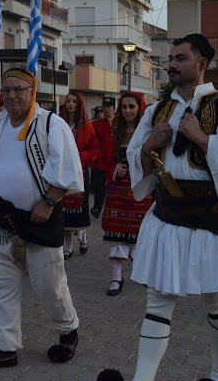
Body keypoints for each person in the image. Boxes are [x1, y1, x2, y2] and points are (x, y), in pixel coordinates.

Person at [98, 34, 218, 381]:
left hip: (208, 217)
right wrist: (148, 147)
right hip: (167, 217)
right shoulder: (158, 110)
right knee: (157, 301)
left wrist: (203, 138)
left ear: (201, 64)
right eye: (170, 58)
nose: (171, 64)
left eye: (180, 58)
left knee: (217, 301)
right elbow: (136, 157)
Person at [0, 67, 83, 372]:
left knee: (49, 285)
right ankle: (5, 348)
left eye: (19, 89)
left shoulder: (50, 124)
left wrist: (47, 202)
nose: (13, 95)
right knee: (3, 286)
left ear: (33, 92)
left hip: (39, 217)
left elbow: (67, 170)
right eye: (7, 90)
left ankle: (68, 330)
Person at [101, 92, 152, 296]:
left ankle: (143, 274)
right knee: (116, 231)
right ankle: (116, 277)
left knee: (142, 232)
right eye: (124, 107)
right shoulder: (114, 130)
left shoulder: (147, 131)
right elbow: (104, 157)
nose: (128, 111)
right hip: (117, 189)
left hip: (140, 188)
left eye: (132, 106)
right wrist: (114, 169)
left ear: (140, 108)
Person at [59, 91, 98, 259]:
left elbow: (93, 150)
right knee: (64, 211)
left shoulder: (86, 126)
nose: (70, 104)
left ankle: (83, 236)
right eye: (68, 101)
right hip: (62, 171)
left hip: (80, 171)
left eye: (74, 101)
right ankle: (68, 247)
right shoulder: (59, 123)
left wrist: (78, 157)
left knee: (79, 210)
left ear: (79, 104)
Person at [89, 97, 116, 219]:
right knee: (99, 186)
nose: (106, 110)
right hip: (100, 162)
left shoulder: (119, 123)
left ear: (114, 108)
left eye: (108, 107)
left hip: (115, 161)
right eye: (104, 107)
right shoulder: (97, 124)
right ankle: (97, 208)